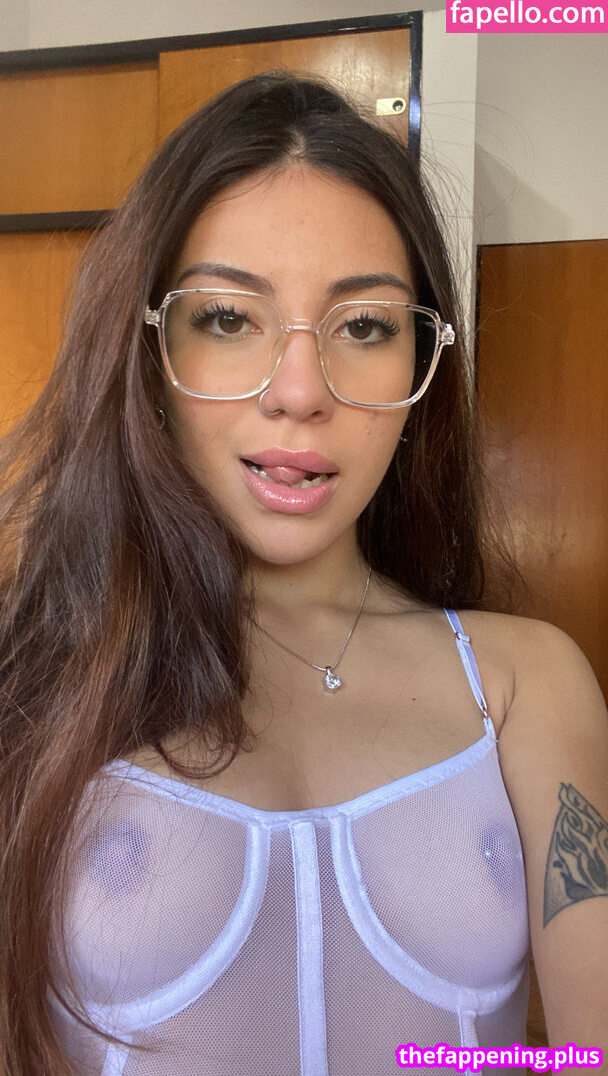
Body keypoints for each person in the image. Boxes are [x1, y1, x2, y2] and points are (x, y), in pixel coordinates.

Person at [0, 71, 606, 1076]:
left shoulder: (521, 683)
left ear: (421, 365)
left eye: (363, 327)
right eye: (226, 317)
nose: (298, 392)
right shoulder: (30, 679)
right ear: (146, 350)